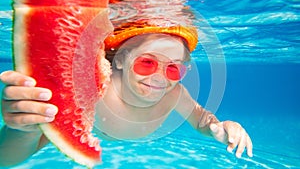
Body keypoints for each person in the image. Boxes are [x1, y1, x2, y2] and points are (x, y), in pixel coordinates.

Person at [0, 18, 253, 167]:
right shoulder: (90, 88)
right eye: (147, 63)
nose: (160, 78)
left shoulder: (174, 95)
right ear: (120, 60)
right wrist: (23, 130)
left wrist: (218, 127)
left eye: (174, 69)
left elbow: (200, 118)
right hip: (95, 131)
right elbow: (5, 159)